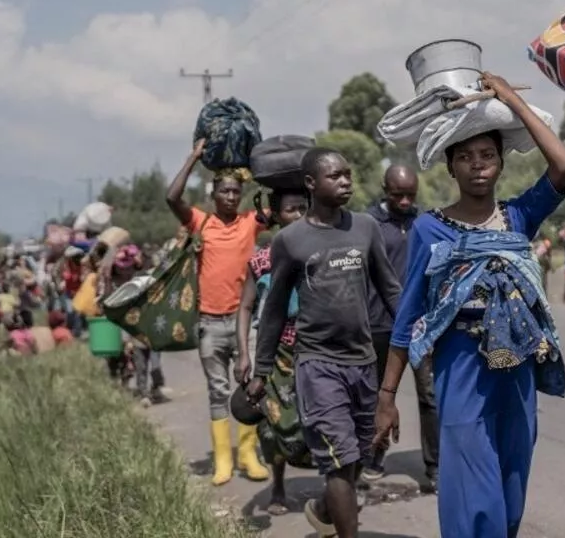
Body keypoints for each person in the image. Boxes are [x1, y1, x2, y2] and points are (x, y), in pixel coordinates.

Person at [374, 73, 565, 538]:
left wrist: (510, 99)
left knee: (511, 483)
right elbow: (408, 318)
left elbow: (562, 166)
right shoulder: (430, 229)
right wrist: (386, 398)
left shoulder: (519, 217)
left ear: (501, 163)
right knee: (470, 488)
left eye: (487, 155)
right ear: (450, 168)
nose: (477, 166)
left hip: (517, 368)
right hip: (461, 367)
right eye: (465, 157)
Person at [249, 148, 401, 538]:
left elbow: (390, 291)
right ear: (311, 184)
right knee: (338, 461)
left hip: (363, 363)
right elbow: (275, 309)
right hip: (317, 365)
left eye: (348, 174)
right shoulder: (291, 240)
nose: (346, 181)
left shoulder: (365, 227)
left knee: (355, 460)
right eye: (336, 176)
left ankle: (322, 507)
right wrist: (261, 370)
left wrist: (420, 338)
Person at [167, 138, 269, 486]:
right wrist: (193, 157)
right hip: (209, 323)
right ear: (213, 195)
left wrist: (259, 167)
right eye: (224, 192)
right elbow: (172, 197)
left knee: (251, 388)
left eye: (235, 192)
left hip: (244, 324)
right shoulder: (202, 223)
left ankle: (248, 454)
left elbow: (277, 203)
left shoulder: (250, 222)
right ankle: (223, 460)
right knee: (217, 391)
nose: (230, 197)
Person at [363, 164, 440, 490]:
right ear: (385, 189)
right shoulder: (368, 225)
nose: (406, 201)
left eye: (411, 195)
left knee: (431, 397)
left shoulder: (425, 223)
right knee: (379, 396)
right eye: (398, 195)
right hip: (380, 324)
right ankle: (375, 457)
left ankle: (435, 467)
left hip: (421, 326)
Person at [236, 187, 309, 516]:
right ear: (276, 215)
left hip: (315, 348)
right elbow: (246, 307)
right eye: (292, 209)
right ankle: (278, 486)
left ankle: (337, 484)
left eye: (303, 208)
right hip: (275, 350)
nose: (299, 214)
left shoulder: (320, 250)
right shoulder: (262, 259)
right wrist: (244, 353)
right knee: (270, 423)